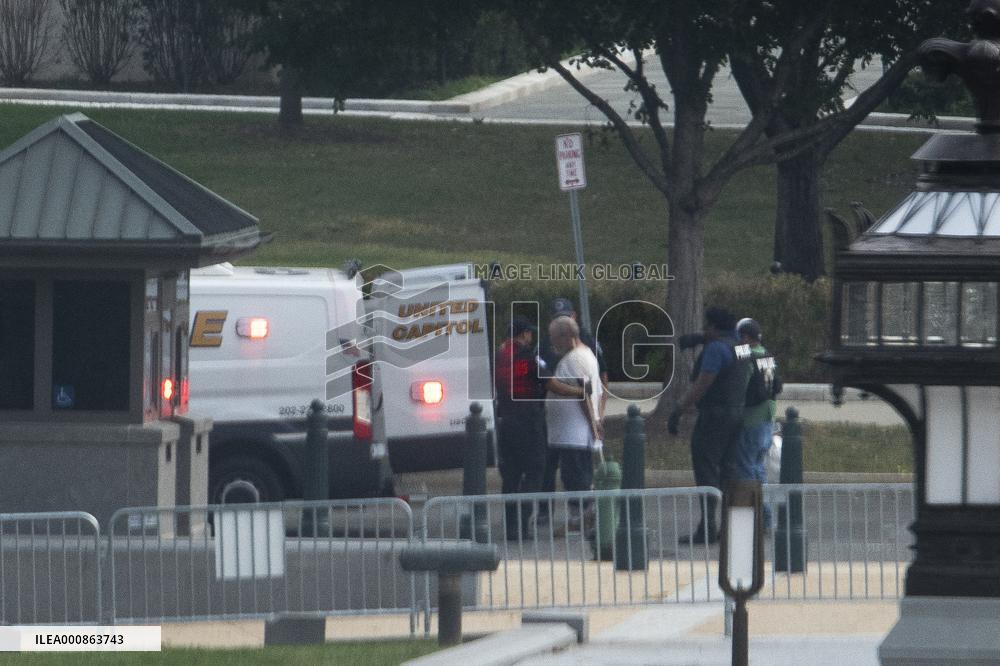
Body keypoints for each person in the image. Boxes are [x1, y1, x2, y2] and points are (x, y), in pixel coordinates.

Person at [668, 306, 753, 544]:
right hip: (737, 414)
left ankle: (706, 528)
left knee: (706, 470)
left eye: (707, 326)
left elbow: (702, 384)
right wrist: (698, 339)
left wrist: (678, 409)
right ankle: (730, 527)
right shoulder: (741, 347)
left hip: (715, 416)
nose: (704, 330)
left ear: (714, 328)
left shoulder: (716, 349)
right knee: (729, 470)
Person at [537, 297, 608, 522]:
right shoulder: (577, 354)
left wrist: (593, 422)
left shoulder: (577, 358)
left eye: (554, 338)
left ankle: (582, 518)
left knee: (576, 477)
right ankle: (581, 516)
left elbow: (585, 392)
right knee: (573, 476)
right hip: (568, 434)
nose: (552, 343)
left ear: (566, 336)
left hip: (574, 434)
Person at [494, 316, 546, 540]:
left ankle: (511, 527)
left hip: (505, 421)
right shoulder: (529, 357)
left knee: (510, 477)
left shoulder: (497, 357)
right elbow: (545, 380)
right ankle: (523, 523)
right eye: (529, 333)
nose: (531, 337)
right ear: (524, 334)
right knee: (534, 471)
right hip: (529, 422)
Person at [732, 317, 782, 529]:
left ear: (745, 337)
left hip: (751, 418)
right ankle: (767, 518)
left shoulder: (747, 357)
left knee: (745, 467)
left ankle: (756, 517)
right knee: (759, 469)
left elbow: (741, 387)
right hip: (768, 417)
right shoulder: (767, 355)